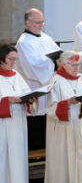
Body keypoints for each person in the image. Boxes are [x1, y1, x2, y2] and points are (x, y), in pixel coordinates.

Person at [15, 8, 60, 150]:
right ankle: (35, 157)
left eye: (43, 22)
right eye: (38, 22)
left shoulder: (46, 37)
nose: (41, 25)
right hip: (35, 90)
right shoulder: (23, 43)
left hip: (49, 89)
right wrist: (53, 63)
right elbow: (33, 68)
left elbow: (56, 55)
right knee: (36, 128)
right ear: (27, 22)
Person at [45, 51, 82, 183]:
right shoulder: (55, 80)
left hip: (81, 122)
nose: (77, 68)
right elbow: (50, 107)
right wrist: (67, 103)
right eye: (73, 65)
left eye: (78, 65)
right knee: (65, 157)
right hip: (63, 127)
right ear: (63, 65)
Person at [0, 44, 34, 183]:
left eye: (15, 59)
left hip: (18, 124)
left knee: (17, 159)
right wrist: (7, 101)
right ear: (1, 59)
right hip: (2, 126)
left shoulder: (17, 75)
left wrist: (29, 99)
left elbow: (25, 93)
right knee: (2, 161)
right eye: (10, 59)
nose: (14, 62)